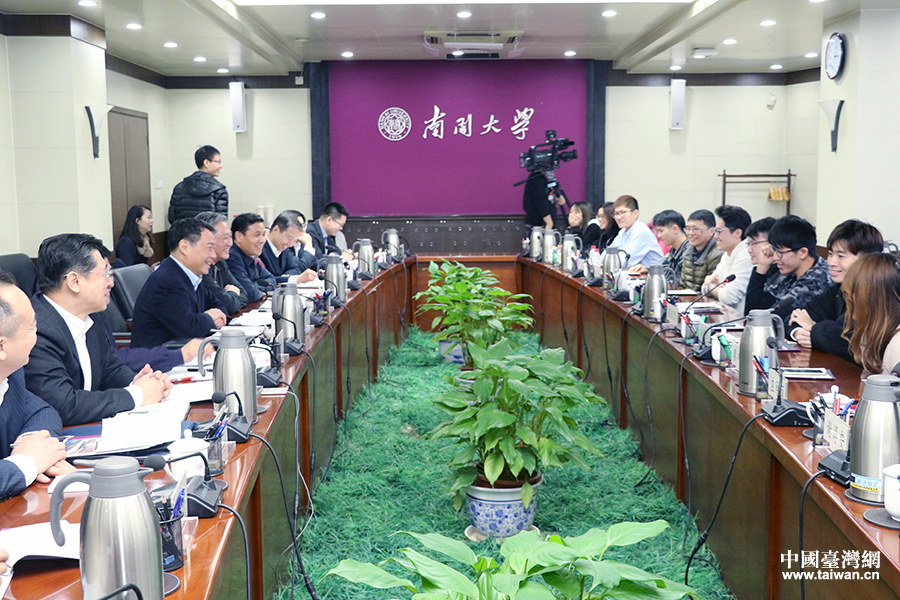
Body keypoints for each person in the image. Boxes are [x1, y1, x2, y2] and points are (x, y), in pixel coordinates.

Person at [26, 234, 170, 426]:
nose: (111, 282)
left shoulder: (90, 314)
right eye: (106, 274)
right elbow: (64, 405)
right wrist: (137, 394)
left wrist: (141, 382)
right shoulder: (35, 329)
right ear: (74, 281)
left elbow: (109, 369)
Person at [0, 272, 73, 500]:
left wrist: (34, 444)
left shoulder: (12, 373)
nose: (38, 335)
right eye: (31, 327)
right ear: (2, 346)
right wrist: (26, 462)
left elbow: (42, 411)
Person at [789, 220, 883, 363]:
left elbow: (844, 339)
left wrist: (812, 327)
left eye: (841, 256)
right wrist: (798, 333)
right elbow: (794, 316)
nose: (831, 262)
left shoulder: (878, 291)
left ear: (866, 260)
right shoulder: (840, 288)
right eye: (830, 254)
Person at [131, 218, 228, 348]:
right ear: (184, 247)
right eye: (209, 248)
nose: (213, 255)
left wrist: (216, 316)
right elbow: (189, 328)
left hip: (183, 351)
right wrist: (210, 317)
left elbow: (219, 306)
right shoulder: (167, 281)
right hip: (160, 357)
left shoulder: (191, 275)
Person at [744, 215, 832, 321]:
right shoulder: (789, 271)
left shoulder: (816, 280)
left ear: (802, 253)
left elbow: (769, 320)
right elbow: (752, 312)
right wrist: (762, 266)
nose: (775, 257)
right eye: (774, 250)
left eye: (780, 252)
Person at [842, 253, 900, 377]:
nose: (850, 297)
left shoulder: (897, 345)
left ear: (876, 297)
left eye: (856, 291)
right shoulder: (871, 331)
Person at [196, 212, 249, 315]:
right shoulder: (200, 268)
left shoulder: (221, 263)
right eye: (225, 238)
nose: (230, 243)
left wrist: (231, 298)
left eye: (230, 237)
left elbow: (244, 294)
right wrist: (232, 293)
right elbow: (229, 306)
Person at [702, 205, 753, 313]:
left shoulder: (746, 255)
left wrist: (710, 285)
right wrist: (715, 287)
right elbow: (704, 289)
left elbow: (729, 297)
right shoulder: (727, 254)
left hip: (739, 320)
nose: (715, 236)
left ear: (737, 233)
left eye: (719, 231)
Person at [168, 145, 228, 224]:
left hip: (183, 231)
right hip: (208, 232)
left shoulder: (179, 187)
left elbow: (172, 218)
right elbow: (220, 222)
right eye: (218, 162)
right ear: (206, 163)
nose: (221, 166)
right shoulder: (219, 190)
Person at [227, 213, 277, 303]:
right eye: (257, 235)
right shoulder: (230, 257)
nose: (262, 240)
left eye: (263, 234)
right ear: (239, 236)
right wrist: (257, 290)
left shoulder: (252, 254)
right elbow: (250, 293)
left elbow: (272, 281)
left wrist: (254, 286)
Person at [629, 210, 689, 286]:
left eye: (661, 231)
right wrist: (648, 271)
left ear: (675, 229)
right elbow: (665, 272)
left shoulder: (689, 252)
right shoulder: (674, 250)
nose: (659, 235)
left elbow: (679, 283)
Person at [606, 195, 663, 269]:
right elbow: (607, 255)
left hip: (654, 274)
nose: (618, 217)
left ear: (635, 213)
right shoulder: (623, 232)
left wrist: (616, 258)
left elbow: (625, 262)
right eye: (616, 214)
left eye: (623, 212)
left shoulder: (641, 230)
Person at [260, 211, 318, 281]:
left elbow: (296, 268)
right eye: (289, 238)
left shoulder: (285, 249)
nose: (290, 244)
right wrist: (293, 279)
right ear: (276, 230)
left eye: (294, 240)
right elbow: (263, 281)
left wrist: (286, 277)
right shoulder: (258, 248)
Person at [680, 210, 722, 292]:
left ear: (711, 231)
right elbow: (683, 284)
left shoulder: (717, 254)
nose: (690, 233)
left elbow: (711, 287)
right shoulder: (687, 250)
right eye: (688, 229)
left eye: (695, 229)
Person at [522, 172, 565, 236]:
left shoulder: (543, 179)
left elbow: (545, 199)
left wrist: (556, 202)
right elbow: (540, 202)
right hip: (537, 226)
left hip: (543, 224)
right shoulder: (536, 179)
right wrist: (549, 223)